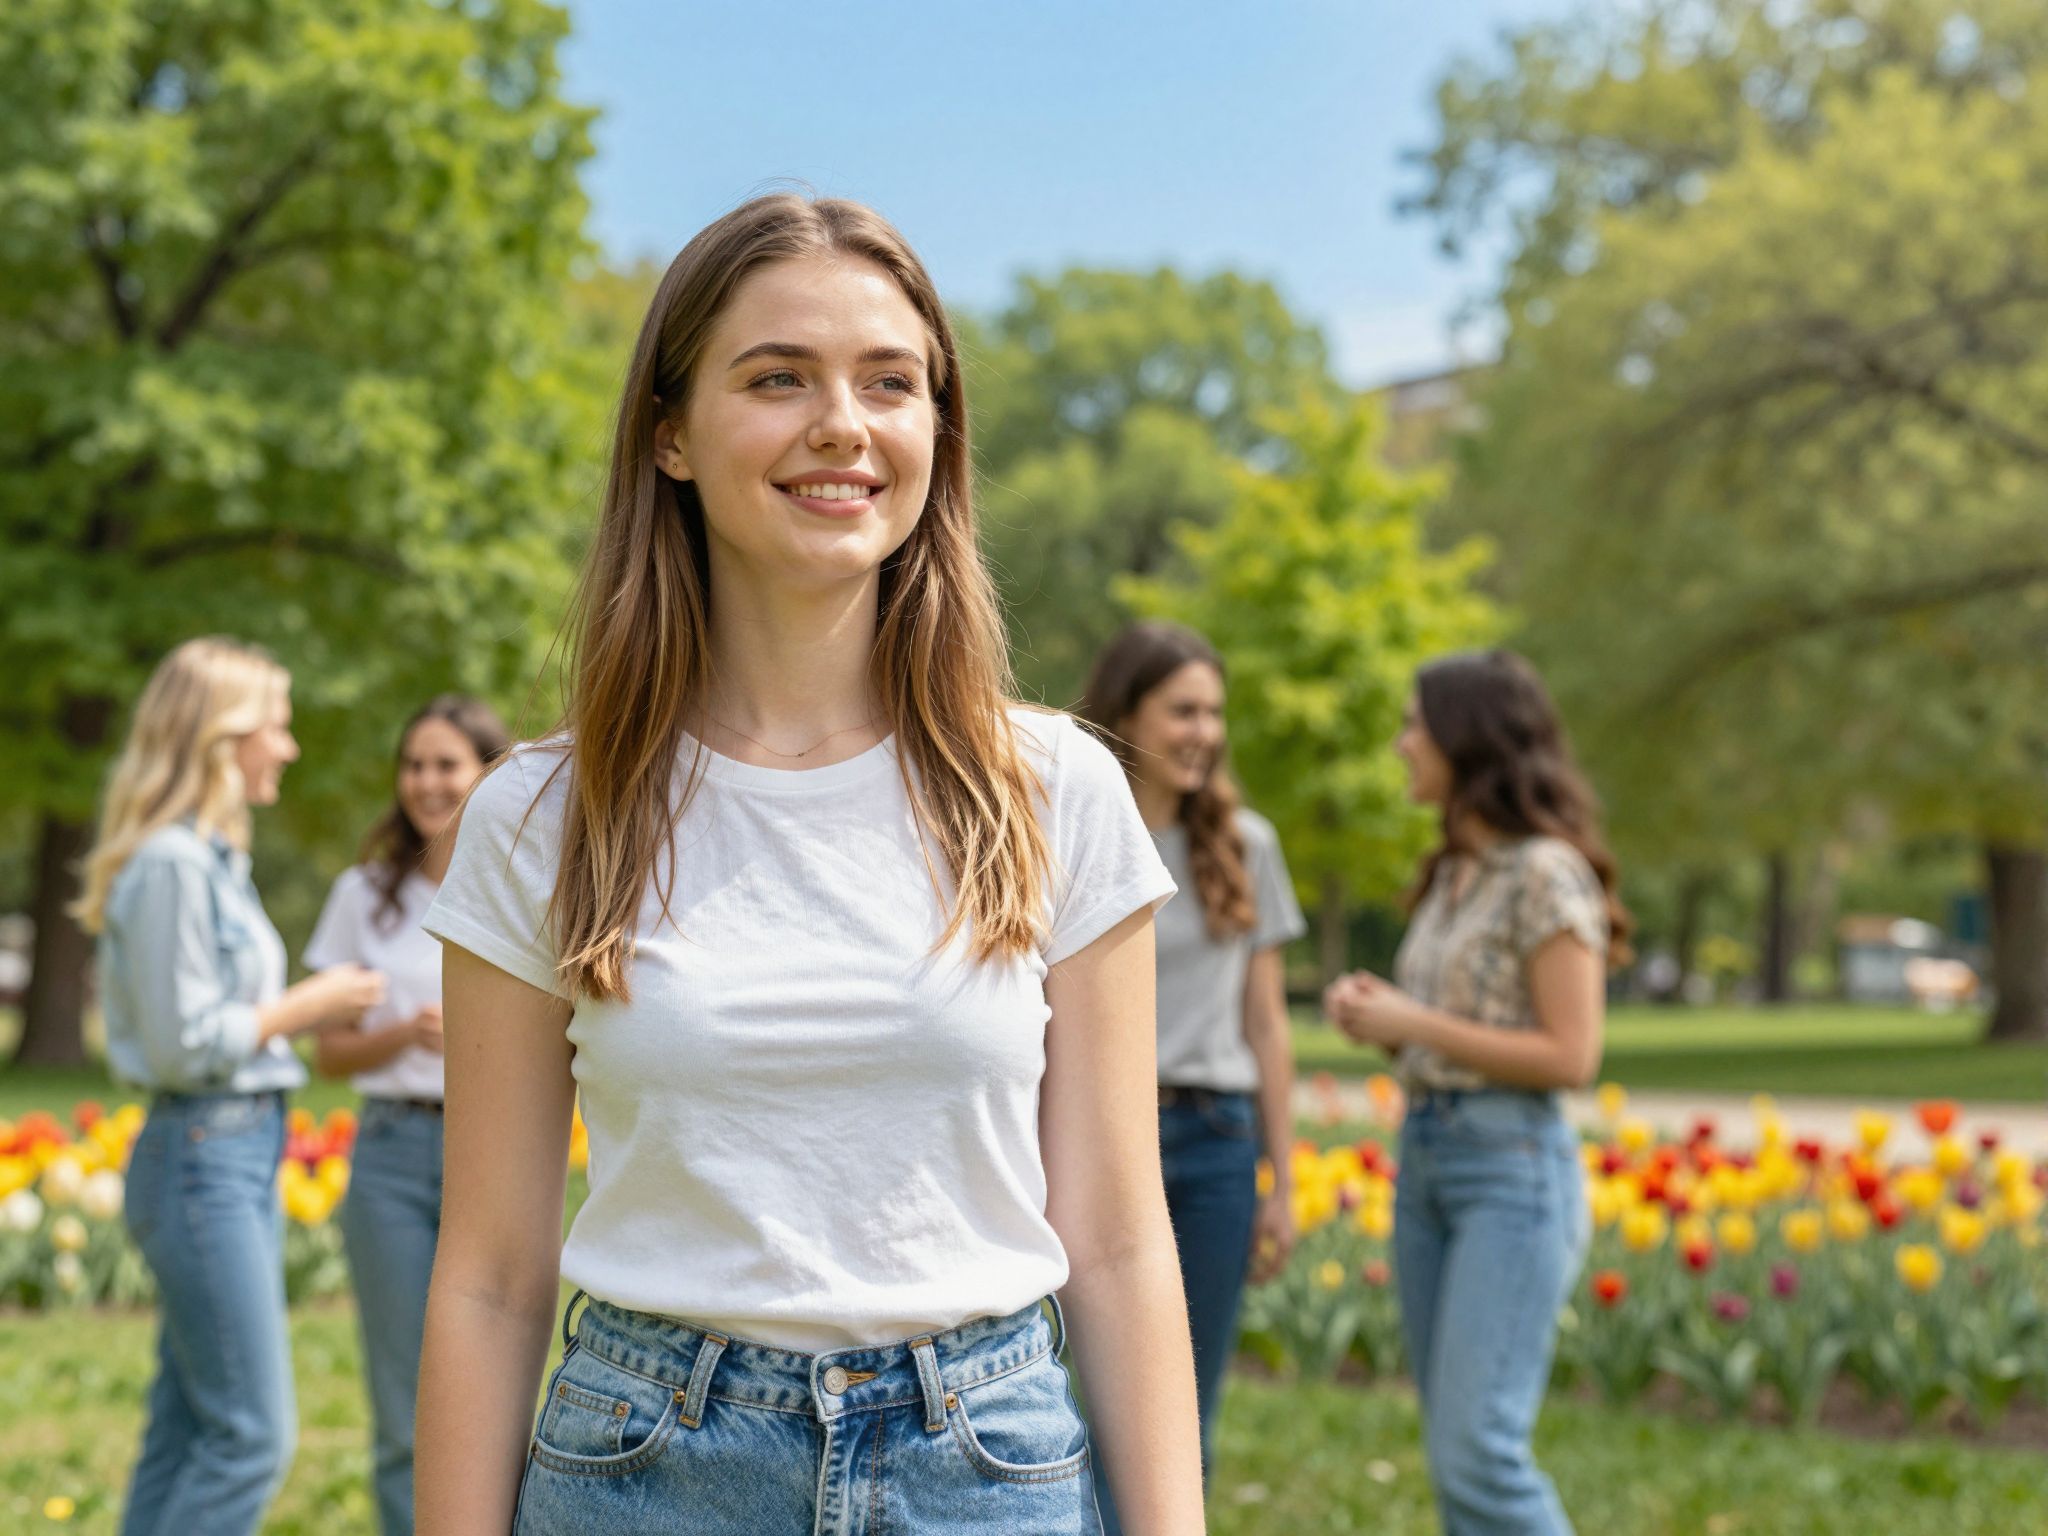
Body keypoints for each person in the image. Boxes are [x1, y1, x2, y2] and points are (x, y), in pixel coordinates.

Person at [412, 194, 1206, 1536]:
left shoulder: (1054, 786)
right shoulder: (542, 812)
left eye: (890, 382)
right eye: (779, 378)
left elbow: (1123, 1245)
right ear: (670, 434)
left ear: (935, 434)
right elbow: (489, 1276)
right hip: (647, 1468)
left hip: (986, 1470)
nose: (843, 422)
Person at [73, 636, 385, 1536]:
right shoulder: (173, 864)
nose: (287, 748)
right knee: (252, 1436)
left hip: (231, 1151)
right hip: (204, 1149)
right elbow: (186, 1045)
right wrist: (307, 1005)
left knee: (187, 1429)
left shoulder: (210, 861)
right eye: (274, 727)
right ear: (222, 737)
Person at [1323, 649, 1632, 1536]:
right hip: (1428, 1159)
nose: (1400, 745)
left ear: (1468, 739)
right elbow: (1455, 1025)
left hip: (1510, 1169)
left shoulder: (1546, 872)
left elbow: (1572, 1055)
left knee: (1480, 1450)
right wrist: (1383, 1017)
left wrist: (1413, 1023)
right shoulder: (1455, 871)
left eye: (1416, 725)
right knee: (1457, 1452)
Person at [1079, 620, 1303, 1526]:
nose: (1203, 731)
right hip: (1093, 1138)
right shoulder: (1076, 832)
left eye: (1214, 712)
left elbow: (1267, 1022)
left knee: (1180, 1416)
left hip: (1214, 1146)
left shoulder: (1247, 845)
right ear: (1127, 714)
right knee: (1071, 1409)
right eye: (1182, 710)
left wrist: (1282, 1181)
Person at [305, 695, 508, 1536]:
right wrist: (399, 1034)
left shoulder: (516, 878)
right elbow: (328, 1052)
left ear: (486, 773)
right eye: (414, 764)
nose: (427, 781)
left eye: (447, 764)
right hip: (391, 1154)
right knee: (402, 1409)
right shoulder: (366, 895)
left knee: (500, 1396)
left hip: (491, 1154)